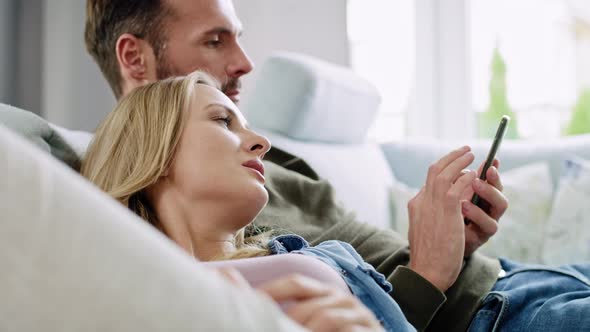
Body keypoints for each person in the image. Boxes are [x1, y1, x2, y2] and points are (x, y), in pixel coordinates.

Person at [83, 1, 590, 331]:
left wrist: (448, 243)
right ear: (135, 58)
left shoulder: (259, 198)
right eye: (215, 41)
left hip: (515, 278)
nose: (245, 62)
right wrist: (429, 273)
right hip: (491, 313)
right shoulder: (193, 234)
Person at [81, 71, 416, 332]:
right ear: (155, 150)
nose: (263, 143)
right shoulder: (123, 295)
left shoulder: (331, 257)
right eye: (223, 121)